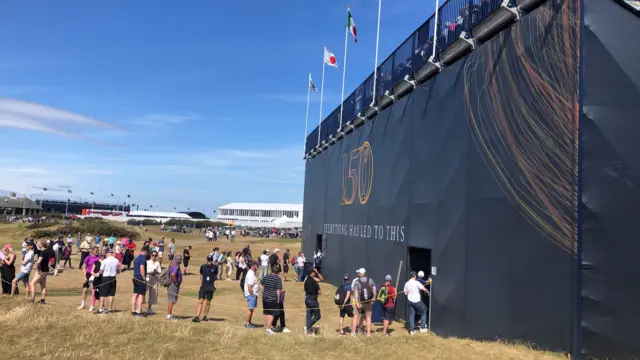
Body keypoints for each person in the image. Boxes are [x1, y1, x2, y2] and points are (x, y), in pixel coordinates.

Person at [351, 268, 376, 337]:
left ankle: (353, 333)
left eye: (358, 272)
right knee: (368, 317)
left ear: (361, 274)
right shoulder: (370, 280)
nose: (358, 273)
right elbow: (374, 289)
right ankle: (368, 334)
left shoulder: (357, 282)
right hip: (368, 302)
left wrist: (356, 303)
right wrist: (374, 297)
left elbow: (355, 293)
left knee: (356, 317)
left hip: (360, 302)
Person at [193, 255, 218, 322]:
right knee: (200, 300)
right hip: (203, 285)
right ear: (207, 260)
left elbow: (215, 275)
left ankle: (205, 316)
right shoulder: (203, 267)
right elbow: (201, 274)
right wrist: (202, 282)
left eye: (210, 260)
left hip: (211, 286)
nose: (209, 261)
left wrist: (213, 283)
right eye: (208, 260)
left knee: (208, 302)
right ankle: (197, 316)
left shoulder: (215, 267)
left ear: (212, 260)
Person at [260, 264, 283, 335]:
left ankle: (267, 327)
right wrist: (278, 299)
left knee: (267, 313)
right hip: (272, 298)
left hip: (265, 298)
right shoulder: (278, 278)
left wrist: (263, 292)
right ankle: (268, 328)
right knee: (272, 314)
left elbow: (260, 284)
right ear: (278, 272)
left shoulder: (266, 276)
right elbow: (278, 290)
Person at [98, 249, 121, 314]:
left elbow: (101, 271)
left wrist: (98, 273)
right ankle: (109, 309)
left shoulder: (105, 261)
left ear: (107, 253)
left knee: (102, 294)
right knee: (111, 294)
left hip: (105, 278)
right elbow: (118, 271)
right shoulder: (116, 260)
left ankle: (100, 309)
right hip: (113, 278)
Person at [304, 266, 324, 335]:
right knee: (317, 316)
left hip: (307, 299)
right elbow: (320, 292)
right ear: (312, 273)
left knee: (309, 315)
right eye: (314, 272)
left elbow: (321, 279)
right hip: (313, 300)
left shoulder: (306, 280)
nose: (315, 273)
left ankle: (308, 330)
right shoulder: (314, 282)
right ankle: (308, 327)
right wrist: (317, 273)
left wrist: (317, 273)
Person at [131, 246, 148, 317]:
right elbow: (142, 268)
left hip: (135, 278)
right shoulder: (143, 259)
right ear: (145, 251)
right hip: (140, 279)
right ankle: (138, 311)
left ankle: (133, 310)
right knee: (141, 295)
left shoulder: (137, 258)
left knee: (135, 294)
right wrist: (144, 278)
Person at [243, 261, 259, 329]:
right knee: (250, 309)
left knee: (251, 309)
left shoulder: (252, 273)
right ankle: (246, 324)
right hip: (251, 294)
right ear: (253, 266)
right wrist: (252, 295)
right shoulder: (251, 274)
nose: (258, 267)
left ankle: (249, 322)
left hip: (252, 294)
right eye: (257, 266)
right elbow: (249, 286)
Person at [146, 250, 162, 315]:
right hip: (147, 279)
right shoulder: (147, 262)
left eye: (155, 255)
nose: (154, 256)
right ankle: (139, 307)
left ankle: (149, 308)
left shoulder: (157, 263)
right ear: (151, 255)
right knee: (143, 292)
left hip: (154, 280)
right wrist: (150, 273)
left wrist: (156, 272)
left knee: (153, 294)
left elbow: (159, 272)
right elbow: (144, 271)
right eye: (153, 255)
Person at [167, 254, 183, 320]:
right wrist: (176, 282)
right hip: (173, 285)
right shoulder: (176, 266)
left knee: (171, 300)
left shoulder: (172, 265)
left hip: (172, 284)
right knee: (171, 300)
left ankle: (169, 314)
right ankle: (169, 315)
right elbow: (173, 274)